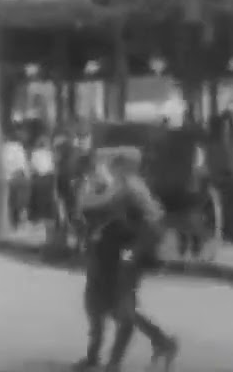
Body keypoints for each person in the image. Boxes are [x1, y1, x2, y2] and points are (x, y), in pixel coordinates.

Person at [74, 147, 179, 372]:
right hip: (126, 251)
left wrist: (135, 252)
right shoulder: (126, 185)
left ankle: (118, 361)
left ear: (126, 165)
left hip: (135, 253)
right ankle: (161, 342)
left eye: (117, 162)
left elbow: (93, 205)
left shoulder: (130, 187)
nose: (112, 165)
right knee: (114, 306)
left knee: (122, 308)